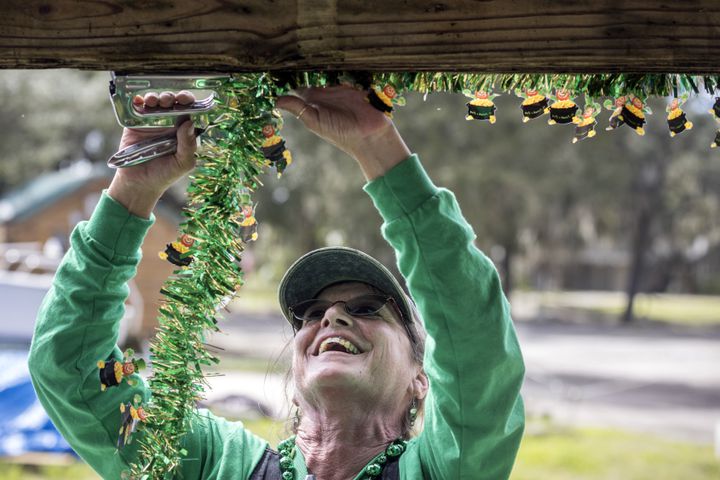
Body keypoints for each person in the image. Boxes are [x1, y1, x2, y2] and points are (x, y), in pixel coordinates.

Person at [28, 85, 525, 479]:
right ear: (294, 384)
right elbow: (71, 367)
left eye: (369, 308)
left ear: (422, 380)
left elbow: (474, 338)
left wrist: (378, 147)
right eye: (311, 314)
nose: (332, 315)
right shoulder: (211, 464)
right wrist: (132, 191)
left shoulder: (445, 468)